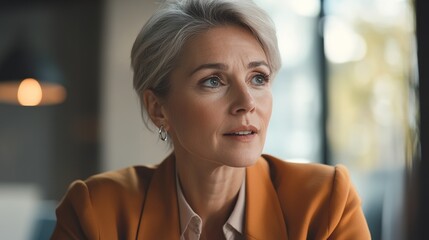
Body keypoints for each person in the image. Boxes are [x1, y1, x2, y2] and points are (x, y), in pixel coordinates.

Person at [51, 0, 371, 239]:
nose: (247, 103)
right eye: (213, 81)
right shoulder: (94, 213)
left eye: (258, 78)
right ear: (157, 108)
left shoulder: (325, 204)